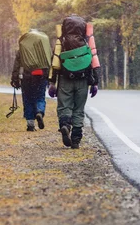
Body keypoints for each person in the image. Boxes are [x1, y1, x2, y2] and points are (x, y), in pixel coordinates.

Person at [48, 15, 100, 149]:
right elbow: (93, 61)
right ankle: (76, 138)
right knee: (78, 109)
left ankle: (65, 125)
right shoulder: (87, 41)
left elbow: (55, 62)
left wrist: (52, 83)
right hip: (83, 80)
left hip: (65, 79)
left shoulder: (62, 42)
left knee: (64, 106)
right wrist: (95, 83)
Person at [10, 29, 51, 131]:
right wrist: (50, 77)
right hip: (41, 75)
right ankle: (39, 111)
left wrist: (15, 78)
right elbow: (50, 62)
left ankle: (30, 125)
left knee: (28, 98)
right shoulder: (44, 48)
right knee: (40, 96)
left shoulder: (23, 49)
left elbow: (17, 64)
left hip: (26, 76)